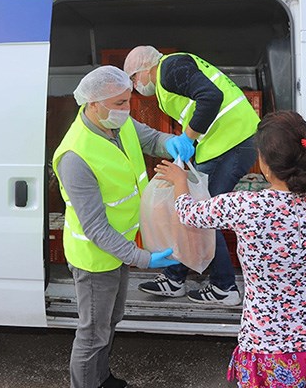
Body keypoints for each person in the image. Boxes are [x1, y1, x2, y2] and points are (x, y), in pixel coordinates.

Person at [153, 111, 306, 387]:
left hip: (267, 346)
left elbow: (189, 214)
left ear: (264, 163)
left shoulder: (245, 206)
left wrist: (180, 181)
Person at [52, 65, 185, 388]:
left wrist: (172, 142)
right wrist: (144, 259)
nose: (127, 109)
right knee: (92, 333)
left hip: (118, 248)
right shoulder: (75, 156)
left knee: (110, 321)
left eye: (128, 101)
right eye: (120, 103)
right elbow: (96, 228)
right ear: (93, 104)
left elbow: (149, 137)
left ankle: (102, 378)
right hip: (95, 258)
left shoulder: (117, 125)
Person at [124, 45, 260, 306]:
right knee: (189, 208)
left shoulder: (169, 70)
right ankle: (175, 277)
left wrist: (188, 138)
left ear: (143, 69)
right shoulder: (170, 74)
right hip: (223, 144)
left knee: (202, 213)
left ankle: (224, 287)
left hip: (232, 143)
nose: (134, 86)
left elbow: (211, 97)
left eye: (133, 79)